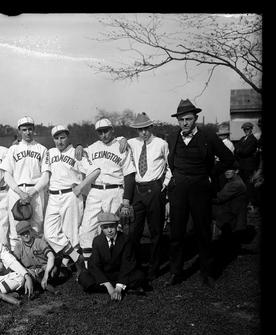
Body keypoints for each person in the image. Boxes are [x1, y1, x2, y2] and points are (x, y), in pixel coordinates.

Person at [165, 99, 235, 288]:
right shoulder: (173, 138)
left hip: (200, 189)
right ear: (177, 121)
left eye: (188, 119)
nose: (185, 123)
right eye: (181, 120)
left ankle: (207, 272)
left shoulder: (208, 137)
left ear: (195, 119)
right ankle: (175, 272)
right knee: (177, 233)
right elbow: (171, 161)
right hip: (179, 189)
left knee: (203, 232)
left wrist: (210, 173)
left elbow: (228, 158)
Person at [42, 125, 102, 275]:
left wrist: (81, 186)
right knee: (49, 232)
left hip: (71, 194)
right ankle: (76, 259)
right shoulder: (50, 152)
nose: (59, 141)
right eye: (56, 138)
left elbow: (95, 171)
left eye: (62, 137)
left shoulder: (76, 152)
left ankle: (71, 268)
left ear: (68, 137)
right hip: (54, 196)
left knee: (71, 233)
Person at [78, 118, 136, 269]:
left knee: (115, 229)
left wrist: (126, 200)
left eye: (106, 131)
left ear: (112, 130)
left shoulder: (122, 146)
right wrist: (78, 146)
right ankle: (89, 268)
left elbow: (129, 175)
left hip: (115, 190)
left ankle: (116, 266)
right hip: (96, 191)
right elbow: (81, 155)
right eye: (100, 132)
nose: (103, 135)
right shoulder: (91, 148)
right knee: (87, 228)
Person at [126, 113, 171, 282]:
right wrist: (123, 138)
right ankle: (135, 266)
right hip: (138, 190)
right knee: (134, 232)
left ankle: (154, 269)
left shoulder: (161, 144)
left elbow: (170, 166)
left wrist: (163, 185)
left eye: (145, 129)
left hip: (155, 189)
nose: (143, 133)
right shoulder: (133, 143)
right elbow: (117, 142)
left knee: (156, 232)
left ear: (151, 128)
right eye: (139, 130)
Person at [0, 116, 50, 249]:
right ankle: (18, 262)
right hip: (17, 191)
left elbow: (45, 176)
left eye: (30, 129)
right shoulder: (13, 149)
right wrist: (21, 193)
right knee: (16, 229)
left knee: (36, 227)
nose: (27, 132)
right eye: (24, 129)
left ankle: (36, 261)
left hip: (36, 192)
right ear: (19, 131)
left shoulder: (42, 149)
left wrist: (31, 193)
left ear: (34, 130)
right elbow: (7, 175)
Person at [77, 212, 147, 301]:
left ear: (117, 225)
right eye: (105, 228)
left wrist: (118, 287)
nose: (109, 230)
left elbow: (127, 263)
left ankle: (119, 287)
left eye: (112, 227)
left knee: (139, 275)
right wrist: (108, 286)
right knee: (83, 278)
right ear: (101, 228)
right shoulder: (97, 241)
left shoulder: (125, 239)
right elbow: (94, 265)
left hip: (121, 273)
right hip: (105, 275)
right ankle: (121, 288)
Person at [14, 220, 58, 292]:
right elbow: (15, 263)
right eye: (22, 234)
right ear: (19, 236)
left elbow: (51, 256)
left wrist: (45, 275)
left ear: (31, 231)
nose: (25, 235)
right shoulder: (18, 246)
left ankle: (40, 283)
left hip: (44, 268)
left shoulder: (39, 242)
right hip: (30, 272)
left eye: (27, 232)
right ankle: (36, 284)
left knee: (54, 271)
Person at [212, 164, 248, 243]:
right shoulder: (234, 181)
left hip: (232, 215)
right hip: (231, 211)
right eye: (225, 170)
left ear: (237, 171)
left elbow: (219, 199)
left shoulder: (236, 184)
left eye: (229, 170)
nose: (226, 172)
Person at [234, 121, 259, 209]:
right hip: (242, 166)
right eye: (245, 129)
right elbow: (236, 150)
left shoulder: (253, 140)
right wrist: (239, 150)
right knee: (243, 184)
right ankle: (245, 202)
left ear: (251, 129)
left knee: (249, 185)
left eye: (248, 129)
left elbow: (246, 152)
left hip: (249, 166)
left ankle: (251, 203)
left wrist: (239, 150)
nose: (246, 131)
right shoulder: (242, 138)